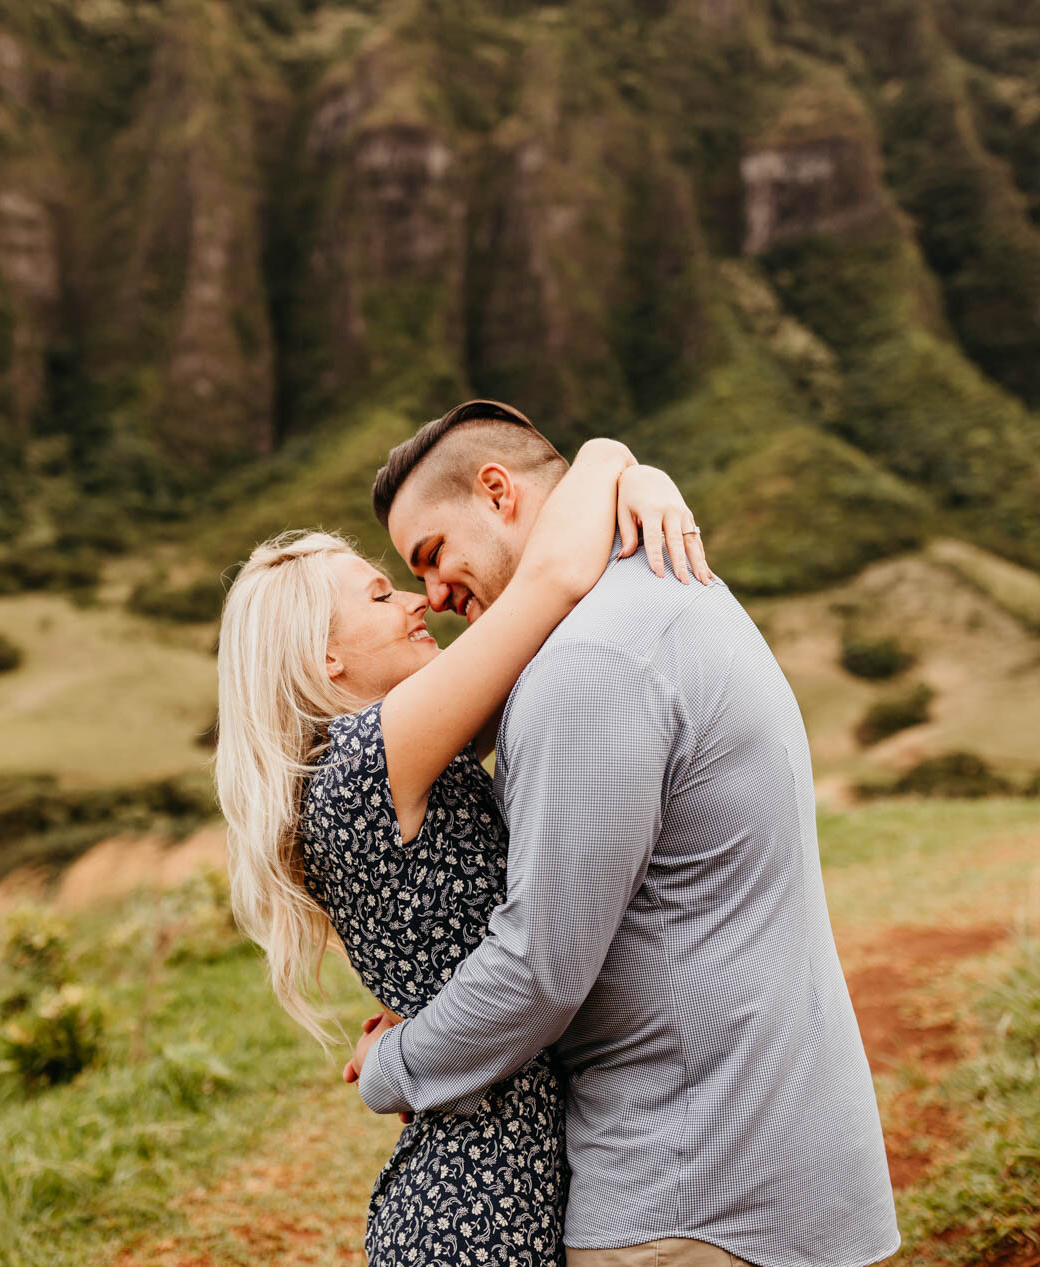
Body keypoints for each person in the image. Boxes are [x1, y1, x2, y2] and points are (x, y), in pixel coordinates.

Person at [345, 401, 901, 1267]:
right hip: (757, 1158)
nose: (435, 593)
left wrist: (394, 1064)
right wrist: (615, 460)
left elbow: (541, 968)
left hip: (684, 1196)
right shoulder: (665, 590)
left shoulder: (589, 664)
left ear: (498, 492)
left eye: (432, 554)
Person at [214, 408, 713, 1267]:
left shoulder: (387, 759)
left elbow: (538, 635)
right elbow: (550, 581)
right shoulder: (374, 757)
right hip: (477, 1208)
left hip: (495, 1178)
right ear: (323, 659)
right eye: (379, 595)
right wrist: (612, 456)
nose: (417, 600)